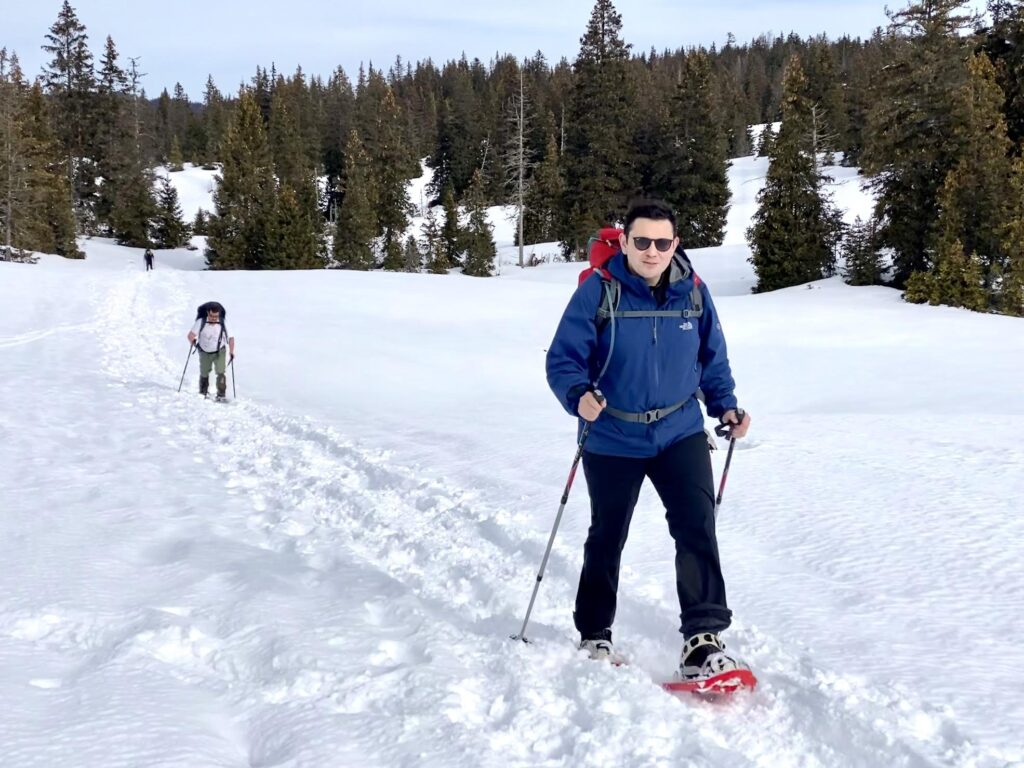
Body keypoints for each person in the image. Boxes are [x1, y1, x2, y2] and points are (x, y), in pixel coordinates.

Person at [545, 198, 751, 682]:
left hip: (679, 431)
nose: (652, 251)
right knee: (608, 533)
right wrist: (577, 394)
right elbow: (563, 359)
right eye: (642, 241)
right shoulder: (599, 292)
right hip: (613, 434)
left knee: (697, 527)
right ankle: (595, 630)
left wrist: (726, 406)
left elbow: (712, 360)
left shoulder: (694, 294)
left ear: (675, 244)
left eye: (662, 242)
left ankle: (703, 640)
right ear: (626, 242)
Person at [187, 302, 235, 399]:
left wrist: (231, 351)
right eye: (212, 316)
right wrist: (194, 342)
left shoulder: (223, 322)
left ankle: (221, 394)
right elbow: (190, 336)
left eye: (216, 316)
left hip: (219, 351)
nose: (214, 318)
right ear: (208, 313)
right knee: (204, 372)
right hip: (204, 351)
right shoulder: (201, 322)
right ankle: (203, 392)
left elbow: (231, 338)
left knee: (221, 372)